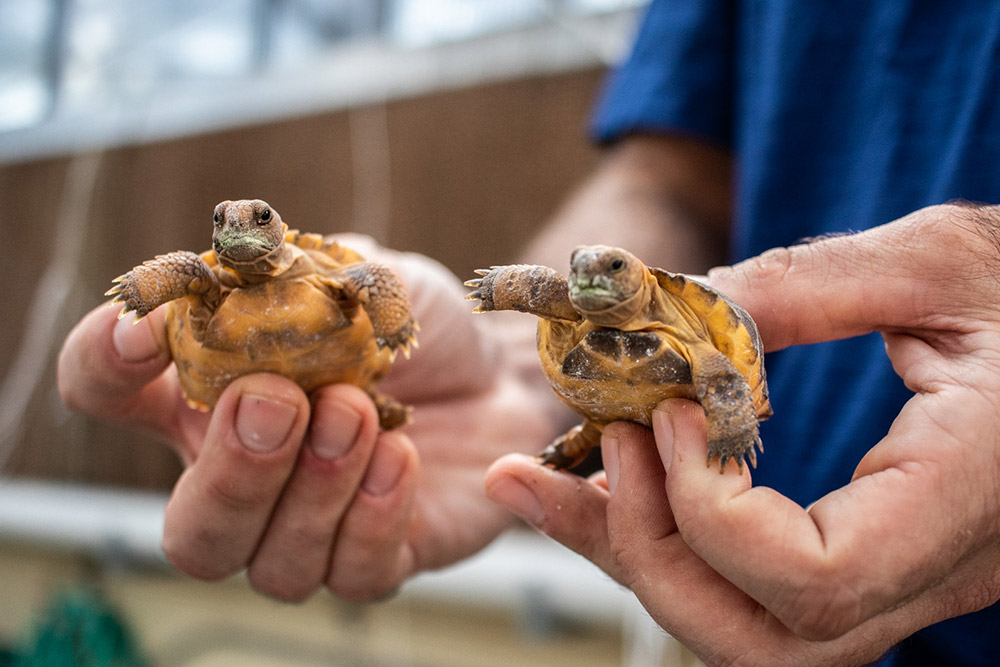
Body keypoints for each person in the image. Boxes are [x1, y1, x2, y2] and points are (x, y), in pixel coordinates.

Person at [56, 1, 1000, 665]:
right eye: (579, 277)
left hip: (835, 543)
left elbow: (714, 356)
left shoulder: (677, 317)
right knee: (606, 421)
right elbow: (671, 175)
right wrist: (506, 350)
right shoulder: (211, 279)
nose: (588, 282)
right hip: (737, 584)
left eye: (607, 276)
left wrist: (727, 406)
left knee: (679, 398)